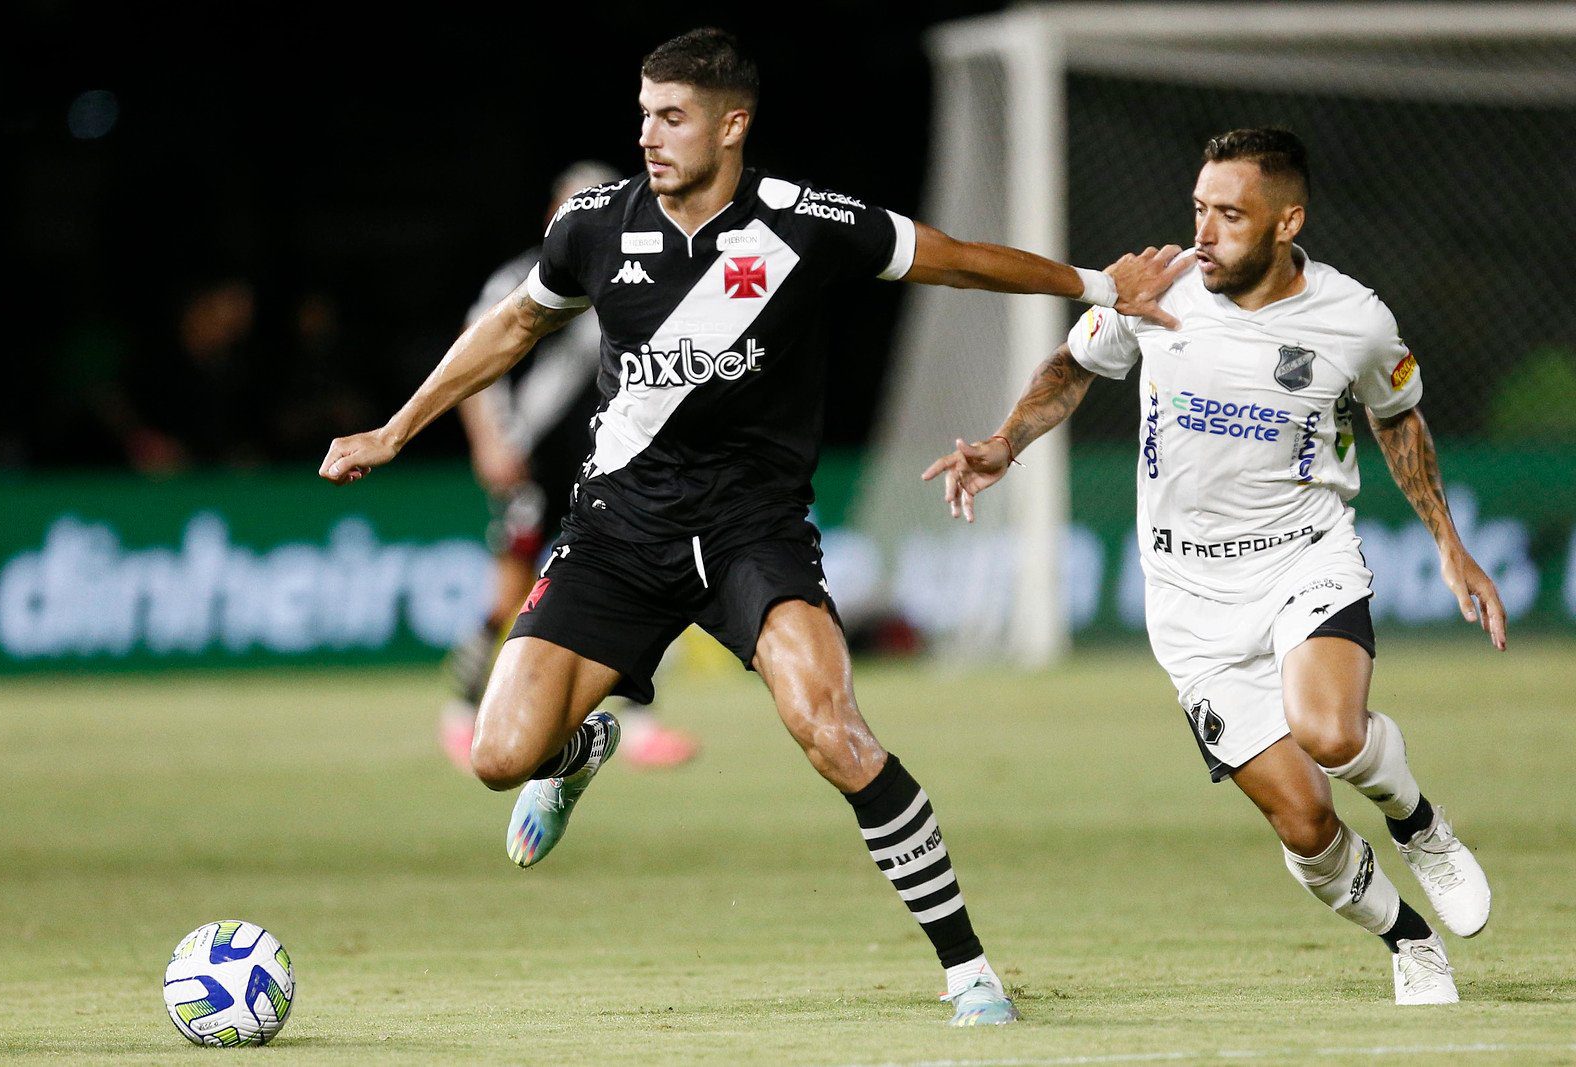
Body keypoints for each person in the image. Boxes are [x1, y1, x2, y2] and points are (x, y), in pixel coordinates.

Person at [321, 27, 1184, 1025]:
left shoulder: (807, 223)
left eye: (672, 117)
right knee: (497, 754)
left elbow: (956, 260)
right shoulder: (595, 225)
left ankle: (968, 971)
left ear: (733, 125)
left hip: (750, 534)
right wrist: (396, 427)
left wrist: (1095, 285)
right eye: (643, 113)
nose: (650, 135)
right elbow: (514, 323)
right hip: (616, 531)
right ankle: (578, 751)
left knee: (833, 729)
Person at [924, 128, 1503, 1006]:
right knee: (1306, 824)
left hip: (1302, 560)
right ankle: (1408, 937)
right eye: (1199, 209)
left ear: (1286, 221)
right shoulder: (1162, 292)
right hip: (1188, 600)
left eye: (1231, 215)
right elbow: (1073, 367)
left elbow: (1398, 419)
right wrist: (1006, 441)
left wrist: (1449, 544)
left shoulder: (1355, 318)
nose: (1206, 232)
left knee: (1332, 732)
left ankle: (1421, 825)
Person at [441, 161, 701, 774]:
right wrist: (488, 442)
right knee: (508, 597)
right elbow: (474, 352)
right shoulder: (522, 277)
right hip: (533, 460)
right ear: (554, 213)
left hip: (610, 466)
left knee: (636, 592)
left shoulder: (634, 276)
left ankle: (637, 728)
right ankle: (459, 712)